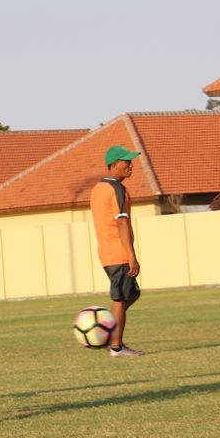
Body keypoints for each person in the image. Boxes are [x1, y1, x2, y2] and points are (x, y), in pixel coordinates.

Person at [90, 145, 145, 357]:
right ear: (114, 165)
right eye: (126, 162)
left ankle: (107, 328)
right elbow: (121, 223)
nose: (131, 165)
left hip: (106, 251)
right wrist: (131, 255)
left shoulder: (98, 188)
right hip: (118, 252)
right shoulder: (116, 189)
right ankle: (116, 346)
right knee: (121, 299)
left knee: (133, 294)